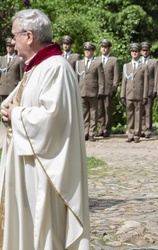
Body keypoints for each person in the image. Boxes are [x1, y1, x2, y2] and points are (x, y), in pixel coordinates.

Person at [0, 9, 90, 249]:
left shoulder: (55, 68)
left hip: (44, 171)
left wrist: (15, 115)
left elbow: (53, 119)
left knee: (43, 229)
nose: (12, 42)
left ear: (29, 37)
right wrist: (7, 108)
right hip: (28, 165)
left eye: (14, 36)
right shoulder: (36, 67)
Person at [76, 42, 105, 142]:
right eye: (86, 50)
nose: (87, 52)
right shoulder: (79, 63)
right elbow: (77, 78)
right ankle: (85, 132)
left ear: (93, 51)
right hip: (82, 91)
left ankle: (92, 132)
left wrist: (101, 92)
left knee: (93, 113)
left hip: (93, 92)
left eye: (89, 50)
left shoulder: (97, 63)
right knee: (84, 113)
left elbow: (101, 79)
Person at [120, 43, 148, 143]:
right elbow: (124, 81)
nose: (134, 53)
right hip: (128, 94)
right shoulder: (126, 66)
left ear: (139, 52)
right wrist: (122, 95)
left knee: (138, 115)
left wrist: (145, 96)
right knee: (129, 115)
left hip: (138, 94)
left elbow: (145, 83)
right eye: (132, 51)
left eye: (136, 51)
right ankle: (130, 134)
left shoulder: (143, 66)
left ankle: (137, 135)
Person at [97, 39, 119, 137]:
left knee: (107, 109)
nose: (104, 49)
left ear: (109, 48)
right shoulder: (96, 60)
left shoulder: (114, 60)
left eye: (106, 47)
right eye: (102, 47)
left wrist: (114, 87)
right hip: (98, 89)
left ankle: (107, 129)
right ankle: (100, 128)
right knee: (99, 109)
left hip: (108, 88)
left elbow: (116, 75)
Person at [140, 41, 158, 138]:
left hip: (149, 90)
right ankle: (141, 129)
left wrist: (155, 90)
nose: (145, 52)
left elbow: (156, 76)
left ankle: (147, 130)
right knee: (140, 111)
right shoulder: (138, 61)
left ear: (149, 51)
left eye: (146, 50)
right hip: (139, 90)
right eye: (143, 50)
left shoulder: (154, 62)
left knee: (148, 111)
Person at [0, 38, 24, 103]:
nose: (8, 48)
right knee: (3, 109)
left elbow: (22, 76)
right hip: (3, 89)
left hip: (13, 89)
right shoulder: (2, 59)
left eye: (10, 46)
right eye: (7, 46)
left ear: (14, 47)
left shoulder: (19, 60)